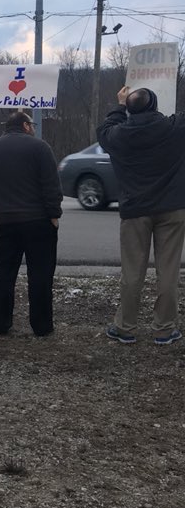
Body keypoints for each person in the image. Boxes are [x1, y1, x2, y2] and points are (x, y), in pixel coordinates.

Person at [98, 86, 185, 345]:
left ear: (129, 109)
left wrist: (119, 104)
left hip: (134, 210)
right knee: (168, 271)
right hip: (172, 208)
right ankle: (165, 329)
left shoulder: (118, 135)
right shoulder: (174, 127)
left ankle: (125, 327)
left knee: (132, 271)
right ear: (155, 105)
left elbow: (104, 129)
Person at [0, 111, 62, 337]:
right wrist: (54, 214)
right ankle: (41, 325)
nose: (34, 128)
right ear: (26, 126)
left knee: (4, 272)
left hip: (3, 219)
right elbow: (51, 183)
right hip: (37, 219)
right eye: (32, 124)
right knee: (40, 274)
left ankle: (0, 323)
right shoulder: (40, 147)